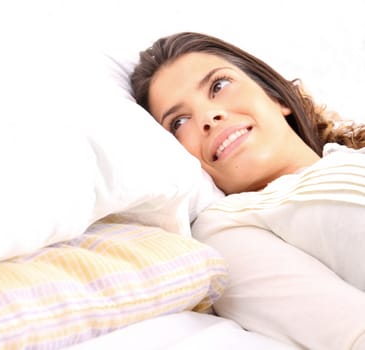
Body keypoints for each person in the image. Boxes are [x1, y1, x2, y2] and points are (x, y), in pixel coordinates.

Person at [130, 32, 365, 350]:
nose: (209, 117)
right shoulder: (227, 228)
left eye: (218, 86)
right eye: (179, 121)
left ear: (276, 97)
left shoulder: (350, 157)